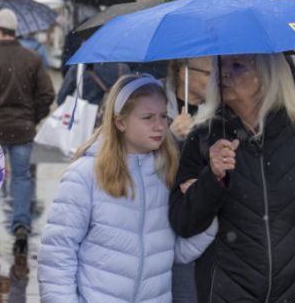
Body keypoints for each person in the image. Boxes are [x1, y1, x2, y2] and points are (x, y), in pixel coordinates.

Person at [170, 54, 295, 302]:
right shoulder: (202, 138)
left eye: (237, 66)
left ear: (268, 75)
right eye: (221, 66)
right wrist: (212, 177)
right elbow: (183, 223)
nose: (224, 73)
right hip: (225, 295)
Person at [38, 74, 216, 302]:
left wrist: (205, 204)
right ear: (120, 122)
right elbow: (57, 254)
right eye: (148, 117)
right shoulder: (85, 175)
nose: (160, 126)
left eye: (164, 116)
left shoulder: (168, 174)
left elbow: (176, 253)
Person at [0, 8, 55, 255]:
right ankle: (21, 226)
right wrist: (32, 117)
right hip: (23, 130)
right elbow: (47, 94)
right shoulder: (32, 58)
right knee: (22, 178)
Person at [163, 57, 211, 303]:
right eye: (208, 74)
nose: (214, 80)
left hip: (196, 229)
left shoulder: (216, 114)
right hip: (159, 221)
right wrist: (169, 137)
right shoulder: (155, 103)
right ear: (184, 73)